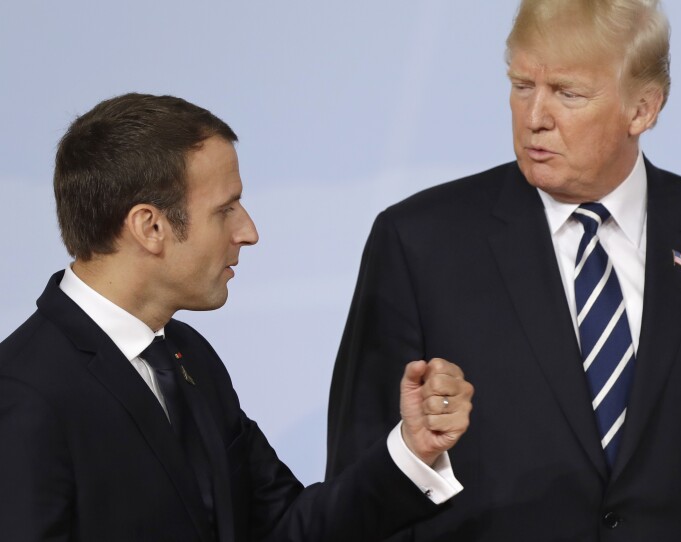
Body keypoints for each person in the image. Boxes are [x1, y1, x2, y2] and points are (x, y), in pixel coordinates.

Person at [326, 0, 681, 540]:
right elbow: (358, 492)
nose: (535, 117)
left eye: (567, 93)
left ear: (643, 109)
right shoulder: (418, 244)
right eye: (521, 86)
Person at [0, 93, 474, 542]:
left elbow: (286, 526)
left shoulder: (189, 358)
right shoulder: (24, 394)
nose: (248, 231)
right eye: (225, 209)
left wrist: (414, 450)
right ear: (151, 226)